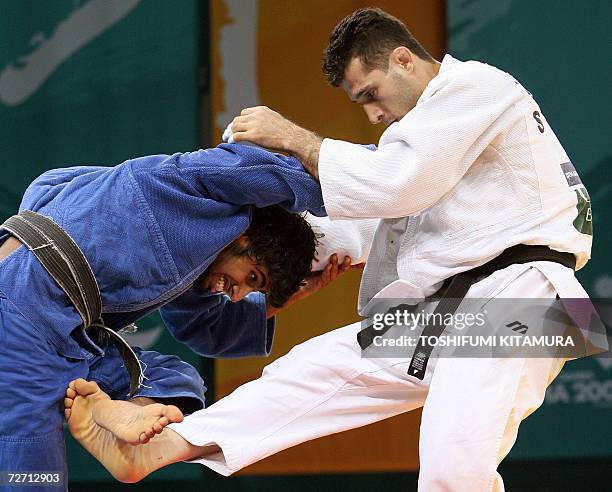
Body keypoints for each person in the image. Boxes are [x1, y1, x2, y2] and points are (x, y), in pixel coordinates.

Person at [63, 7, 600, 491]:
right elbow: (375, 218)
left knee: (453, 464)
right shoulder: (431, 142)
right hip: (455, 308)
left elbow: (394, 186)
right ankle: (163, 448)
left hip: (526, 294)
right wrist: (268, 256)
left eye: (370, 94)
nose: (371, 114)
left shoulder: (476, 87)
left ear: (403, 60)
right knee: (311, 371)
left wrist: (294, 137)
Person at [0, 141, 348, 491]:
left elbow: (206, 330)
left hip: (66, 334)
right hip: (24, 311)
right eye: (252, 277)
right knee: (34, 480)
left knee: (177, 379)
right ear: (244, 235)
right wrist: (365, 177)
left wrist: (284, 300)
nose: (238, 293)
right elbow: (259, 169)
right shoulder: (184, 189)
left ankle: (124, 416)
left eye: (252, 291)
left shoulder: (198, 264)